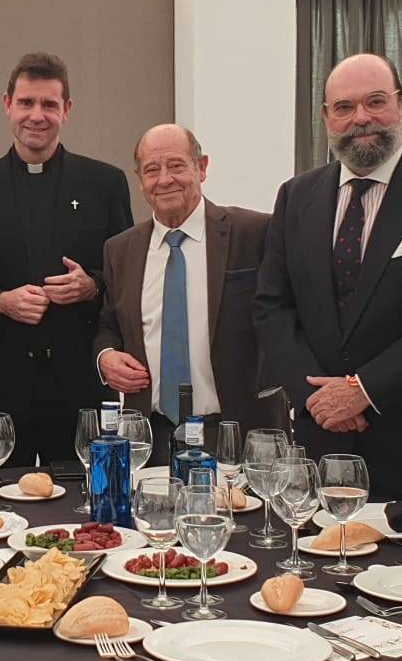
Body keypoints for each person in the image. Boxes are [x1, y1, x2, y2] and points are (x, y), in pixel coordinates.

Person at [254, 53, 402, 500]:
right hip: (316, 449)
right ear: (325, 117)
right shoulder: (296, 196)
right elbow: (272, 306)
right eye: (344, 107)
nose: (361, 119)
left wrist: (364, 390)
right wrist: (316, 397)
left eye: (376, 102)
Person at [0, 53, 133, 466]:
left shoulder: (105, 184)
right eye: (26, 103)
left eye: (49, 104)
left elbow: (128, 281)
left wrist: (92, 285)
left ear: (67, 110)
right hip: (2, 391)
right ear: (7, 104)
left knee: (89, 516)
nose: (37, 115)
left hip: (80, 389)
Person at [94, 124, 272, 460]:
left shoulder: (254, 233)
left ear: (201, 168)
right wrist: (106, 357)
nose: (164, 180)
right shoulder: (119, 250)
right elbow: (109, 325)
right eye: (151, 170)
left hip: (236, 435)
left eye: (176, 165)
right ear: (140, 179)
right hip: (152, 438)